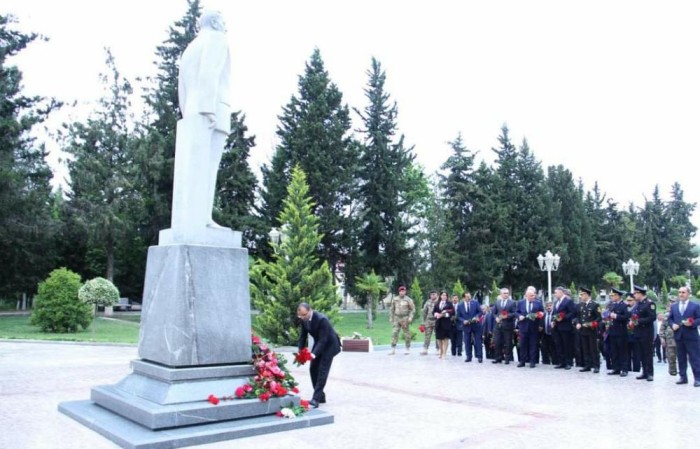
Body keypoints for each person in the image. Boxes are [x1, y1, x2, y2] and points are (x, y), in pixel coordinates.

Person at [175, 9, 232, 230]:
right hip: (212, 109)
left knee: (193, 171)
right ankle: (204, 219)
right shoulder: (217, 38)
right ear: (217, 22)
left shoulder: (191, 47)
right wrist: (208, 109)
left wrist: (188, 111)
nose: (226, 25)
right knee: (208, 168)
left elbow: (182, 85)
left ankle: (194, 221)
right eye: (224, 20)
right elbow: (210, 72)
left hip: (191, 111)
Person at [297, 303, 341, 408]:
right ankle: (320, 396)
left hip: (330, 345)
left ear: (310, 310)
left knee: (322, 371)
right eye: (300, 316)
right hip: (319, 343)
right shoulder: (304, 320)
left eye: (304, 315)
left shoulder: (322, 319)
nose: (303, 318)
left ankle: (315, 399)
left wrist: (313, 354)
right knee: (313, 369)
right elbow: (303, 337)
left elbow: (323, 340)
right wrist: (300, 352)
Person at [668, 286, 700, 387]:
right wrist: (672, 325)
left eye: (683, 292)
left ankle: (698, 378)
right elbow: (670, 319)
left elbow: (699, 318)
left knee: (694, 358)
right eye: (679, 292)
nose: (681, 294)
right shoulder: (674, 306)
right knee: (681, 358)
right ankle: (683, 377)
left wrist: (692, 323)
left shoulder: (695, 306)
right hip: (679, 335)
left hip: (691, 336)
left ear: (688, 294)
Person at [631, 285, 656, 381]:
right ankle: (644, 371)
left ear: (640, 293)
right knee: (641, 353)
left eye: (635, 293)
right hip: (638, 332)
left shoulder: (649, 303)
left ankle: (650, 373)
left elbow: (652, 317)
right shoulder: (637, 304)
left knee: (647, 353)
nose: (634, 295)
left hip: (646, 332)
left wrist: (639, 321)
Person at [574, 287, 601, 373]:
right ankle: (587, 365)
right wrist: (577, 323)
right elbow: (578, 316)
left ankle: (596, 365)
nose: (581, 296)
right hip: (583, 330)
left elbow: (599, 317)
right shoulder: (581, 305)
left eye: (582, 294)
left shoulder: (595, 305)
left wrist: (592, 323)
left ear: (587, 295)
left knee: (593, 349)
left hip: (591, 330)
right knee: (585, 348)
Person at [516, 286, 544, 368]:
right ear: (526, 296)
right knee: (523, 345)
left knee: (533, 345)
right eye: (531, 296)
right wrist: (519, 316)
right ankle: (522, 361)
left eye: (534, 295)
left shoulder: (538, 303)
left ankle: (532, 361)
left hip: (534, 327)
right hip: (523, 327)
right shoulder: (521, 302)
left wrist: (540, 315)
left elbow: (542, 312)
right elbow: (516, 312)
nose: (533, 297)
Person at [551, 286, 576, 370]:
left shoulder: (568, 301)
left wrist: (563, 317)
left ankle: (568, 363)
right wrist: (553, 320)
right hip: (557, 327)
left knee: (567, 345)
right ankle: (561, 362)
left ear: (561, 292)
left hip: (566, 326)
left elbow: (572, 312)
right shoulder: (556, 302)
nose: (555, 294)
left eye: (556, 292)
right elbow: (554, 313)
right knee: (559, 345)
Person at [607, 287, 629, 376]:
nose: (612, 297)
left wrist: (616, 316)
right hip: (612, 330)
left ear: (618, 296)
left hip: (621, 331)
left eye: (613, 295)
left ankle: (624, 369)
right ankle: (616, 368)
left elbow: (626, 317)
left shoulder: (624, 305)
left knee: (622, 351)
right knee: (614, 351)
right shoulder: (612, 305)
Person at [388, 285, 415, 355]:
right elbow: (392, 309)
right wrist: (391, 318)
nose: (402, 292)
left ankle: (407, 348)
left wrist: (410, 317)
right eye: (401, 291)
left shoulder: (408, 299)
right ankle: (393, 349)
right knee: (395, 332)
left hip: (405, 318)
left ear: (405, 292)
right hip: (397, 318)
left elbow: (412, 309)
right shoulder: (395, 299)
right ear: (399, 291)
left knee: (406, 334)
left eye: (403, 291)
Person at [457, 291, 484, 363]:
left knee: (478, 341)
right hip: (466, 326)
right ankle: (468, 357)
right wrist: (463, 321)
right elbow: (458, 316)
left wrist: (476, 317)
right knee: (467, 341)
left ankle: (479, 357)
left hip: (476, 325)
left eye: (469, 296)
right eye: (467, 297)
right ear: (463, 298)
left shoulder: (475, 303)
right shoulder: (460, 305)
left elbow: (480, 312)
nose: (469, 298)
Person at [493, 288, 516, 364]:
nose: (506, 294)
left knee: (508, 343)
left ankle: (507, 358)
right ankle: (498, 358)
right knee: (497, 342)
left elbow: (514, 313)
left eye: (507, 293)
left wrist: (507, 316)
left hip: (508, 325)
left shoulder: (512, 303)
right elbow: (494, 312)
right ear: (501, 294)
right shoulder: (497, 302)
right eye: (504, 293)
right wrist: (496, 317)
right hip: (498, 326)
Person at [659, 297, 678, 377]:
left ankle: (681, 370)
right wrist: (662, 338)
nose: (671, 303)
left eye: (673, 302)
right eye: (670, 302)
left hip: (679, 338)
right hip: (669, 339)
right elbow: (662, 327)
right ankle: (672, 371)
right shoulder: (667, 315)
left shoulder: (680, 313)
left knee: (681, 356)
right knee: (671, 356)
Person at [433, 291, 455, 359]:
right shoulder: (437, 303)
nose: (444, 296)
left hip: (446, 323)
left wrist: (445, 314)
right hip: (438, 323)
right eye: (443, 295)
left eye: (445, 295)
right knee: (439, 338)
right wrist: (436, 314)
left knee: (445, 338)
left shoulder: (449, 303)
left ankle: (444, 354)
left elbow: (453, 311)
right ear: (440, 296)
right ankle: (441, 352)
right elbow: (434, 311)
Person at [625, 293, 641, 373]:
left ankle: (636, 370)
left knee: (636, 354)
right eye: (627, 300)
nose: (628, 302)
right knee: (626, 353)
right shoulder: (625, 308)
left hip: (636, 334)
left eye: (630, 300)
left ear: (634, 300)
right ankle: (627, 369)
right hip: (626, 334)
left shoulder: (637, 308)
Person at [420, 291, 439, 355]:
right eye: (431, 295)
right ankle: (425, 349)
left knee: (437, 335)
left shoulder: (439, 302)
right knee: (427, 335)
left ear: (437, 295)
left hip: (437, 320)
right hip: (428, 321)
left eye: (434, 294)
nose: (433, 296)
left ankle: (438, 349)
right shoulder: (428, 302)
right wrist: (423, 322)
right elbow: (424, 312)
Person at [540, 301, 558, 365]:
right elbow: (541, 325)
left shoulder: (555, 314)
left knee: (554, 349)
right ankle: (545, 362)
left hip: (554, 335)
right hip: (545, 335)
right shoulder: (543, 315)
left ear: (552, 306)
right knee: (544, 348)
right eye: (547, 306)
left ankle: (555, 362)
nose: (548, 307)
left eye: (550, 306)